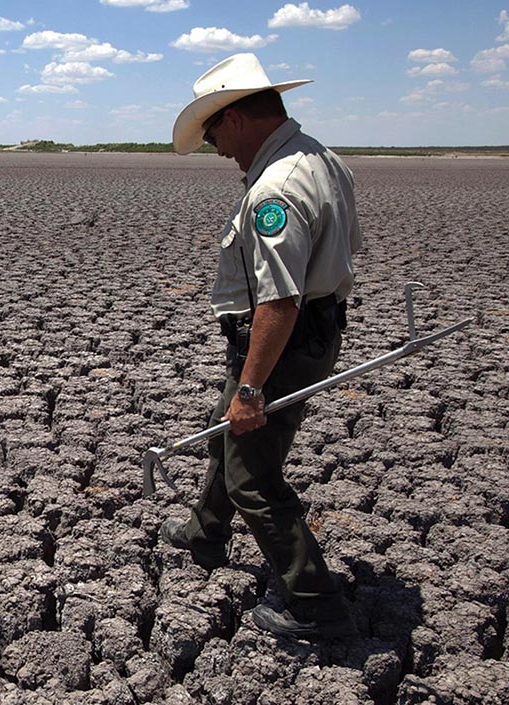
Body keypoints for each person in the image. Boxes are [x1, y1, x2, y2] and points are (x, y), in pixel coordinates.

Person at [162, 53, 362, 639]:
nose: (217, 147)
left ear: (239, 117)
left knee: (253, 474)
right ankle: (206, 533)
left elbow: (280, 299)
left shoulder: (277, 187)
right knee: (228, 434)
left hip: (280, 344)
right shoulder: (320, 157)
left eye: (215, 131)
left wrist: (250, 386)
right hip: (304, 336)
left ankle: (315, 605)